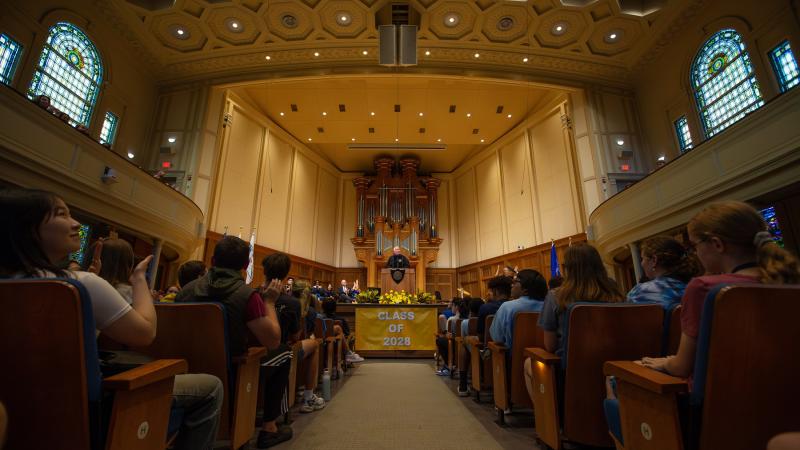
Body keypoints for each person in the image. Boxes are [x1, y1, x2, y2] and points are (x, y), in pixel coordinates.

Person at [0, 188, 223, 450]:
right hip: (93, 413)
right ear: (29, 229)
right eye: (62, 214)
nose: (76, 224)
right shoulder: (80, 285)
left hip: (22, 420)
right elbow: (145, 333)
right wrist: (139, 279)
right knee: (211, 388)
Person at [603, 201, 800, 444]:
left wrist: (667, 362)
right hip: (784, 413)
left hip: (714, 415)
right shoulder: (789, 284)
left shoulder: (705, 288)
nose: (695, 254)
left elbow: (681, 368)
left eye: (696, 245)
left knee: (613, 380)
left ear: (717, 244)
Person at [255, 252, 301, 447]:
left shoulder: (251, 295)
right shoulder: (292, 303)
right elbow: (295, 337)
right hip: (268, 356)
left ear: (263, 271)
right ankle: (270, 424)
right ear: (286, 274)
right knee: (285, 352)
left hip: (244, 354)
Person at [627, 235, 701, 308]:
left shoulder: (640, 293)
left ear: (654, 260)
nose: (642, 264)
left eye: (642, 258)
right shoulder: (698, 289)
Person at [289, 281, 326, 413]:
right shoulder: (307, 311)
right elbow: (301, 336)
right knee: (314, 344)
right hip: (289, 352)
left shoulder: (281, 302)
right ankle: (308, 397)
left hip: (271, 349)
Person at [490, 269, 549, 349]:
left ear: (525, 289)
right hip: (545, 358)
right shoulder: (549, 306)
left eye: (515, 282)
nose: (511, 285)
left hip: (514, 359)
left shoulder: (507, 307)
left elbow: (497, 338)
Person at [320, 297, 363, 363]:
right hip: (337, 345)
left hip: (321, 345)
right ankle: (348, 354)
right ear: (335, 308)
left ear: (322, 307)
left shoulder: (319, 319)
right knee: (350, 336)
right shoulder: (340, 320)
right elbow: (347, 333)